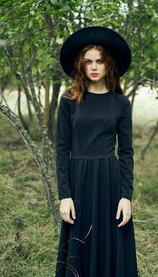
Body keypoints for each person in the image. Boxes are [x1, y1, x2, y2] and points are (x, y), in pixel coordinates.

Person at [55, 26, 138, 277]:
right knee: (80, 248)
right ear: (81, 65)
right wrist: (64, 195)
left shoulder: (120, 103)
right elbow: (61, 149)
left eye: (99, 61)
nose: (93, 67)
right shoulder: (69, 99)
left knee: (112, 247)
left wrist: (126, 196)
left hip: (110, 183)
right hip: (79, 182)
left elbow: (126, 152)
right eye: (88, 61)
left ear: (108, 65)